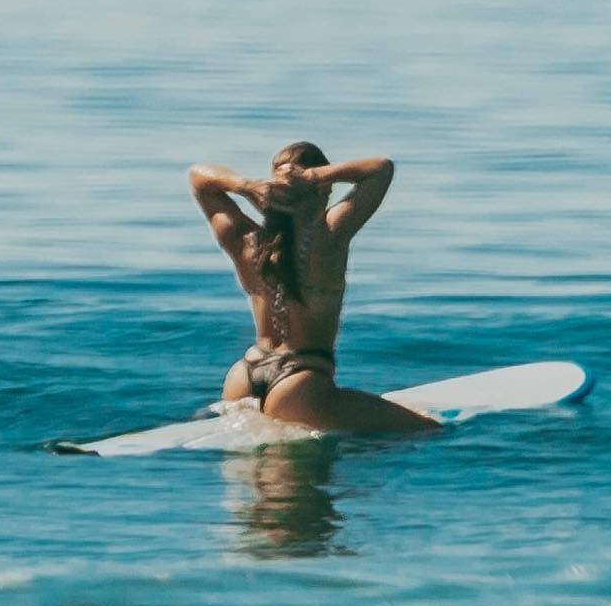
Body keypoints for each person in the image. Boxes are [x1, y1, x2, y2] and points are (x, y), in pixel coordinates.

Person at [188, 143, 439, 434]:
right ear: (323, 190)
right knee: (428, 429)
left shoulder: (245, 239)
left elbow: (199, 179)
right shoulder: (328, 236)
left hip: (244, 375)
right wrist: (314, 177)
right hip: (299, 383)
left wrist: (247, 187)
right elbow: (381, 169)